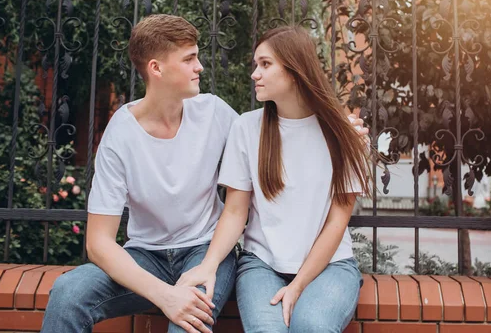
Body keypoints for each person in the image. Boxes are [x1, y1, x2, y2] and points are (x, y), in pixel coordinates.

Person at [41, 16, 367, 333]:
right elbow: (98, 243)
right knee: (68, 293)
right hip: (145, 256)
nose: (200, 67)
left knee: (191, 321)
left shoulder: (216, 114)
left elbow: (282, 133)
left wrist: (343, 129)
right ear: (156, 68)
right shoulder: (121, 134)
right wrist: (165, 296)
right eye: (190, 59)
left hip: (204, 250)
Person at [180, 26, 371, 333]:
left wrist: (298, 286)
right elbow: (234, 211)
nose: (256, 74)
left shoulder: (345, 135)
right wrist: (208, 265)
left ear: (295, 70)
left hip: (331, 266)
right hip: (262, 265)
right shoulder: (246, 128)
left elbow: (338, 221)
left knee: (312, 326)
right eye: (256, 65)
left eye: (265, 64)